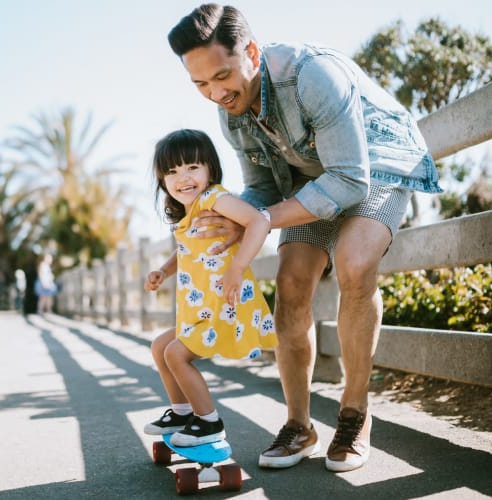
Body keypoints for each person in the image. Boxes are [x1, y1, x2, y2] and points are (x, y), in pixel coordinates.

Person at [168, 4, 442, 470]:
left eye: (222, 76)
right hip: (309, 183)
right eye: (200, 85)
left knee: (355, 263)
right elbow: (263, 188)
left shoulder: (312, 75)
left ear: (251, 52)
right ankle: (299, 425)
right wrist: (241, 215)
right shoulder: (230, 112)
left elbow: (350, 181)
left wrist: (258, 219)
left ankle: (355, 414)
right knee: (292, 282)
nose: (216, 93)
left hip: (376, 168)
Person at [143, 128, 277, 446]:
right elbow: (188, 249)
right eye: (172, 171)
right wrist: (163, 270)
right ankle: (181, 412)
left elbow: (259, 221)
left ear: (210, 169)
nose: (183, 178)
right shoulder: (191, 212)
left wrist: (238, 267)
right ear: (162, 180)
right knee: (160, 347)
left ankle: (208, 422)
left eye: (192, 167)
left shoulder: (215, 198)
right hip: (202, 308)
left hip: (225, 305)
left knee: (176, 355)